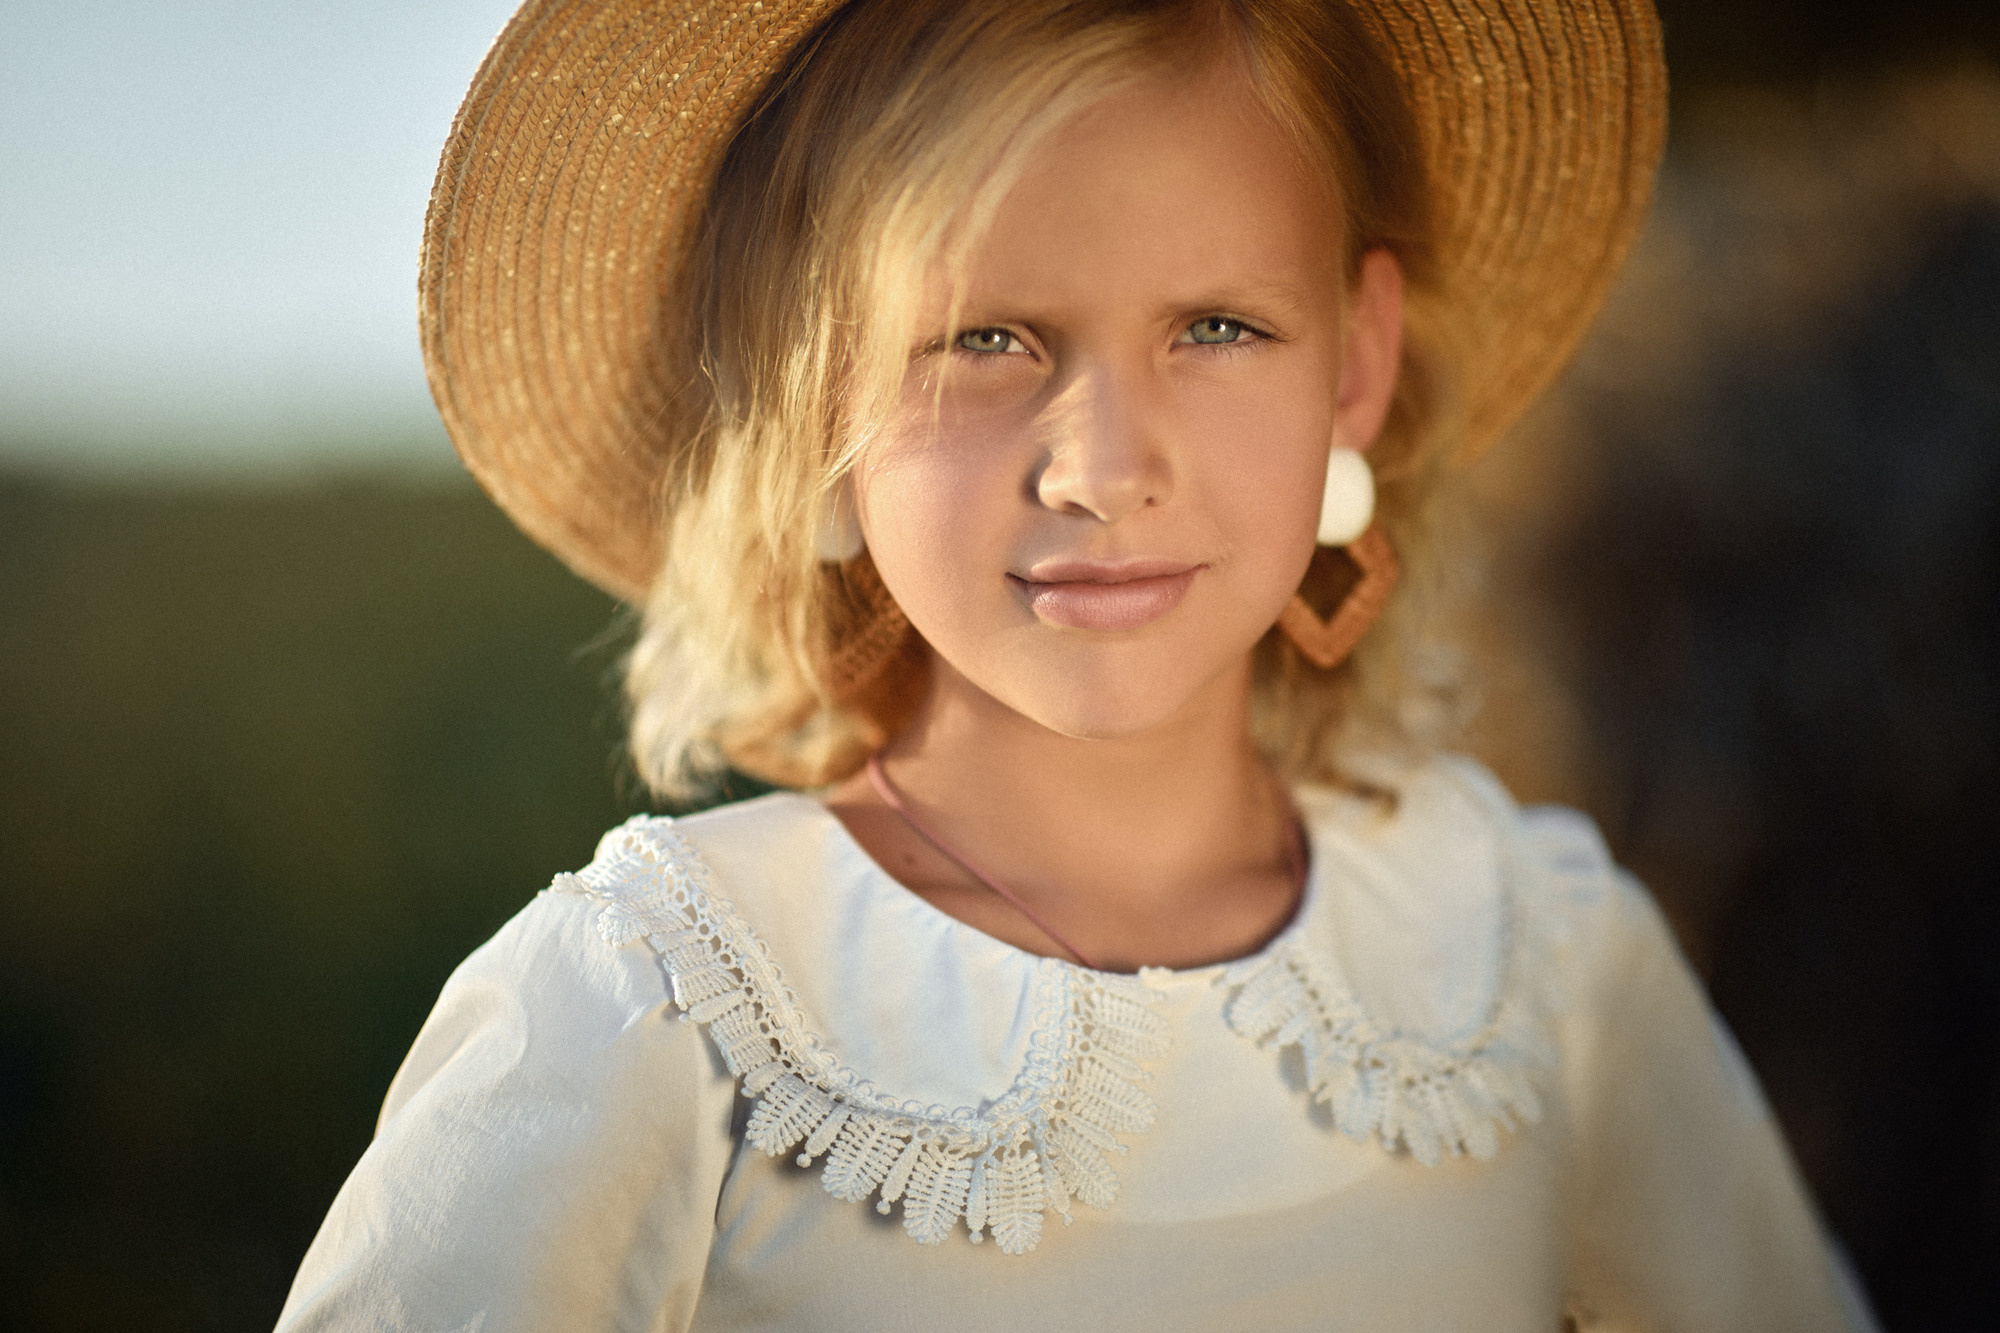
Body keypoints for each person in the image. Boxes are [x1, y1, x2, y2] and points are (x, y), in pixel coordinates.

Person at [278, 0, 1879, 1328]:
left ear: (1358, 359)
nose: (1104, 467)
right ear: (815, 403)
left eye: (1219, 328)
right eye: (985, 339)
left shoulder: (1537, 961)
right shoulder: (656, 1005)